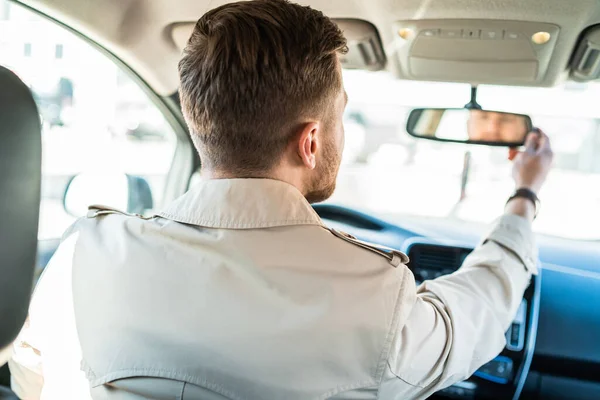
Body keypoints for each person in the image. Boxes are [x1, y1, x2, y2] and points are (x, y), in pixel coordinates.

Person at [9, 0, 553, 399]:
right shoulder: (371, 298)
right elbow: (477, 311)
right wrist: (523, 195)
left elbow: (34, 380)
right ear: (311, 140)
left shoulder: (85, 253)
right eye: (340, 115)